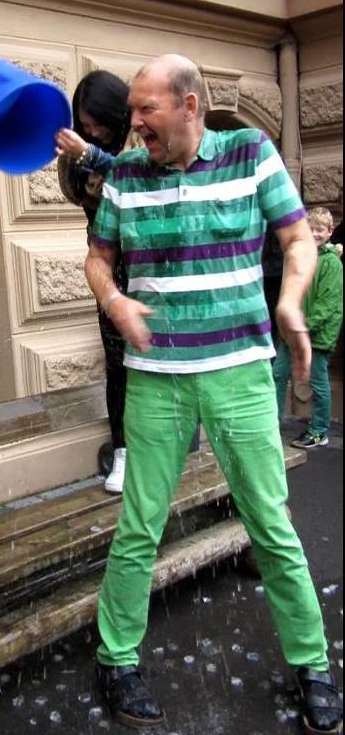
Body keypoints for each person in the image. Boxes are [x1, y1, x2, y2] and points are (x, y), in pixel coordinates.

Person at [84, 54, 342, 735]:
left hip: (239, 374)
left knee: (271, 524)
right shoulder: (125, 174)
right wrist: (113, 301)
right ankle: (115, 658)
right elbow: (98, 258)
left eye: (146, 109)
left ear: (189, 105)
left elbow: (297, 239)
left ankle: (312, 664)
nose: (133, 123)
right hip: (157, 380)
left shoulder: (249, 152)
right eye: (131, 111)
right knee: (139, 526)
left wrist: (290, 303)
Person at [56, 70, 133, 493]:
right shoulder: (83, 151)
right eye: (85, 125)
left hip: (150, 268)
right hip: (108, 272)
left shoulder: (140, 138)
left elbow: (142, 179)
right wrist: (70, 155)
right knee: (118, 367)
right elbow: (74, 192)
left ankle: (161, 450)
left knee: (158, 367)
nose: (93, 131)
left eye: (98, 123)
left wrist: (90, 153)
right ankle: (122, 452)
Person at [274, 206, 343, 449]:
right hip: (294, 331)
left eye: (319, 229)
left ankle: (320, 430)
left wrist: (302, 328)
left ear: (330, 231)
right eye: (310, 229)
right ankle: (271, 424)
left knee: (317, 382)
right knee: (278, 374)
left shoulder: (332, 263)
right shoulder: (302, 256)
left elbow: (327, 305)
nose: (314, 233)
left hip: (316, 334)